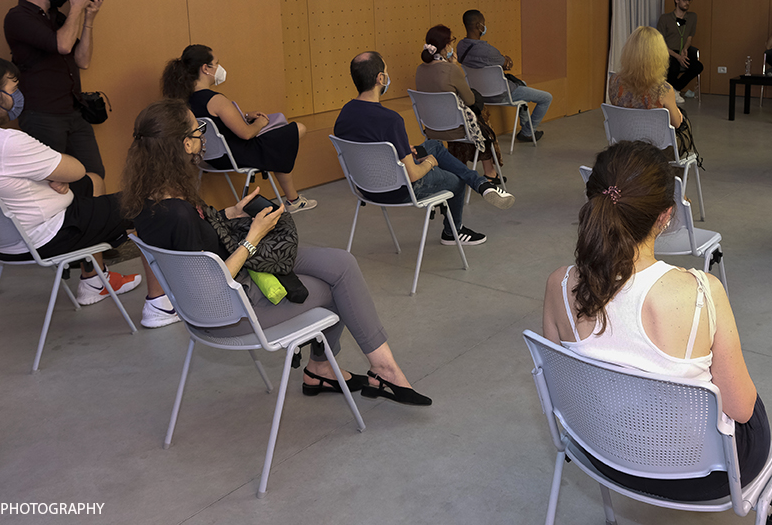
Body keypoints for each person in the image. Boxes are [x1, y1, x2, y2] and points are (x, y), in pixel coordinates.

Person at [124, 99, 430, 405]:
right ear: (184, 144)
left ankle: (329, 368)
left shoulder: (155, 197)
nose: (203, 135)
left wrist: (231, 213)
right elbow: (212, 288)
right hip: (233, 310)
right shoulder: (175, 213)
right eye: (198, 130)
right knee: (338, 287)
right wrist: (253, 237)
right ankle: (371, 369)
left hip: (236, 274)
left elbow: (196, 237)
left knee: (342, 263)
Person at [542, 140, 772, 501]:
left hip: (602, 453)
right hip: (700, 475)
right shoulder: (701, 291)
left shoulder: (558, 285)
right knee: (749, 403)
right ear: (665, 216)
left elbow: (566, 385)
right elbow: (739, 409)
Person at [0, 56, 178, 329]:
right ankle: (160, 306)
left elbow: (7, 181)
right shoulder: (5, 141)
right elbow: (75, 169)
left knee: (93, 182)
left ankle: (94, 282)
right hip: (52, 234)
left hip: (2, 242)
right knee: (153, 204)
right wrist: (56, 175)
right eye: (13, 90)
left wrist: (51, 177)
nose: (17, 97)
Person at [334, 51, 514, 248]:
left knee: (434, 145)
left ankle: (480, 184)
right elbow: (412, 175)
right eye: (386, 71)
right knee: (455, 180)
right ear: (380, 78)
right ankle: (452, 232)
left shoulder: (344, 114)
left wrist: (401, 150)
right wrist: (429, 163)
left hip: (366, 187)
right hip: (397, 189)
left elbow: (367, 148)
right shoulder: (390, 120)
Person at [161, 45, 316, 213]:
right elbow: (247, 133)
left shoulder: (183, 100)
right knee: (295, 130)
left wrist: (247, 115)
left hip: (210, 158)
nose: (219, 67)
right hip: (238, 155)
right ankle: (293, 200)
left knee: (281, 139)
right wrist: (260, 123)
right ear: (206, 68)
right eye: (216, 63)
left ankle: (293, 199)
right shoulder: (216, 100)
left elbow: (217, 123)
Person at [4, 0, 106, 176]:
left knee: (94, 174)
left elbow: (82, 60)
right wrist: (76, 9)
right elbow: (62, 45)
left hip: (73, 113)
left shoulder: (56, 18)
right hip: (42, 115)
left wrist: (88, 18)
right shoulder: (18, 17)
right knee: (53, 182)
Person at [414, 24, 502, 182]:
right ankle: (490, 172)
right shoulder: (450, 70)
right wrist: (454, 66)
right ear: (447, 45)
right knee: (480, 123)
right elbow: (469, 100)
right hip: (455, 130)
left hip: (431, 129)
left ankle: (467, 169)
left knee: (467, 119)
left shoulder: (420, 69)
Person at [458, 8, 552, 143]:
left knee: (523, 84)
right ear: (479, 26)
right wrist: (505, 59)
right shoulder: (488, 50)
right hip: (502, 93)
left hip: (478, 95)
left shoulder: (461, 47)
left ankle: (527, 130)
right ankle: (527, 132)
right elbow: (507, 64)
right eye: (483, 23)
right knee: (546, 98)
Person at [606, 26, 684, 128]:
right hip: (653, 141)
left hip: (624, 139)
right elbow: (676, 124)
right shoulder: (664, 89)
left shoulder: (614, 81)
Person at [656, 0, 703, 96]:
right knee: (674, 66)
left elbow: (689, 38)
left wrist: (685, 49)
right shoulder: (665, 18)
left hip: (683, 51)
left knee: (698, 66)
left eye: (689, 0)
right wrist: (678, 57)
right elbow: (660, 44)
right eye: (684, 0)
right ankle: (671, 92)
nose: (687, 3)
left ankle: (674, 89)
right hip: (668, 52)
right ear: (677, 0)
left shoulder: (692, 17)